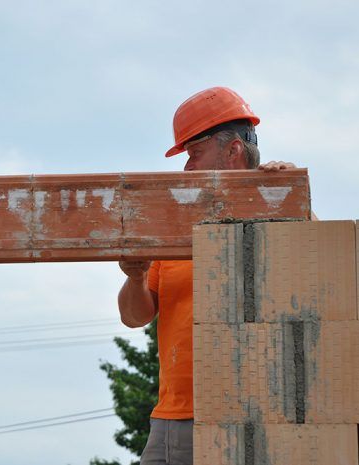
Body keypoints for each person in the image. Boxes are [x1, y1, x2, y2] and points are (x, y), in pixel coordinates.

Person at [117, 87, 295, 465]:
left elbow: (329, 269)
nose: (187, 168)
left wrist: (288, 199)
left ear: (232, 151)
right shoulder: (178, 228)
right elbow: (134, 318)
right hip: (169, 417)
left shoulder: (277, 210)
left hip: (241, 417)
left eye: (194, 153)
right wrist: (136, 277)